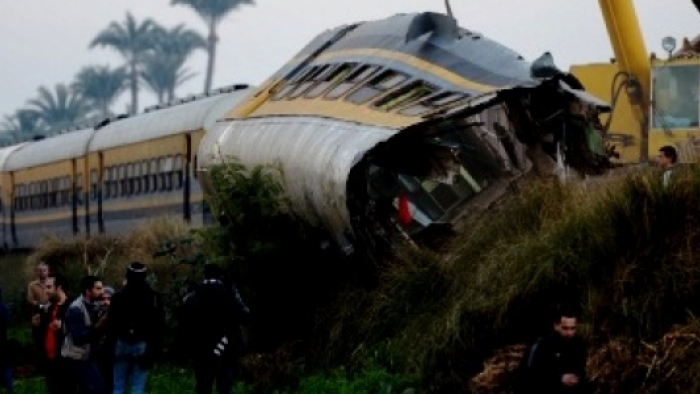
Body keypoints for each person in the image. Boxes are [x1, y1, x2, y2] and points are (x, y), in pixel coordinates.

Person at [181, 263, 250, 394]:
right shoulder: (228, 293)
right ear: (220, 275)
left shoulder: (194, 295)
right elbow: (245, 315)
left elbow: (185, 322)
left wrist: (187, 348)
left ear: (204, 275)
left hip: (200, 349)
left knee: (203, 385)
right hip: (226, 347)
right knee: (224, 386)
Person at [108, 263, 166, 394]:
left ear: (127, 275)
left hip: (121, 342)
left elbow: (111, 323)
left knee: (118, 386)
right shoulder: (154, 297)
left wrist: (111, 346)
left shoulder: (118, 296)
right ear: (145, 276)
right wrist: (155, 350)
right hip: (142, 344)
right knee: (138, 387)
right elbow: (159, 326)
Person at [515, 310, 590, 394]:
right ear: (556, 326)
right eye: (565, 328)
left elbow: (579, 369)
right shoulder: (543, 345)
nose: (569, 333)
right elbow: (532, 373)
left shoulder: (579, 344)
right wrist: (560, 378)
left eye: (573, 328)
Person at [62, 275, 108, 394]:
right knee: (99, 390)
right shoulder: (75, 309)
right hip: (77, 359)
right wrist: (99, 325)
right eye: (98, 288)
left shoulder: (97, 305)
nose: (102, 291)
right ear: (88, 291)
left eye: (102, 288)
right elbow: (79, 338)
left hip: (89, 356)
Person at [39, 275, 74, 394]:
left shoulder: (72, 306)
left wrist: (64, 324)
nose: (46, 291)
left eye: (49, 287)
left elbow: (82, 328)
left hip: (65, 359)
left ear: (59, 288)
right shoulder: (48, 307)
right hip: (49, 359)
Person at [27, 261, 50, 356]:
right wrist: (40, 306)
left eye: (44, 270)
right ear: (37, 272)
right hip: (38, 316)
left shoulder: (52, 283)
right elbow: (30, 300)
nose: (42, 273)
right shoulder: (32, 285)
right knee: (39, 339)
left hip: (51, 314)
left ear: (48, 271)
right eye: (40, 271)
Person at [95, 286, 115, 393]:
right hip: (97, 351)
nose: (106, 302)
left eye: (109, 299)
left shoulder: (116, 313)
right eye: (103, 299)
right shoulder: (96, 311)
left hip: (112, 351)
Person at [0, 284, 14, 393]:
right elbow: (8, 322)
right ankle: (10, 387)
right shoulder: (4, 307)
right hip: (3, 341)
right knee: (5, 364)